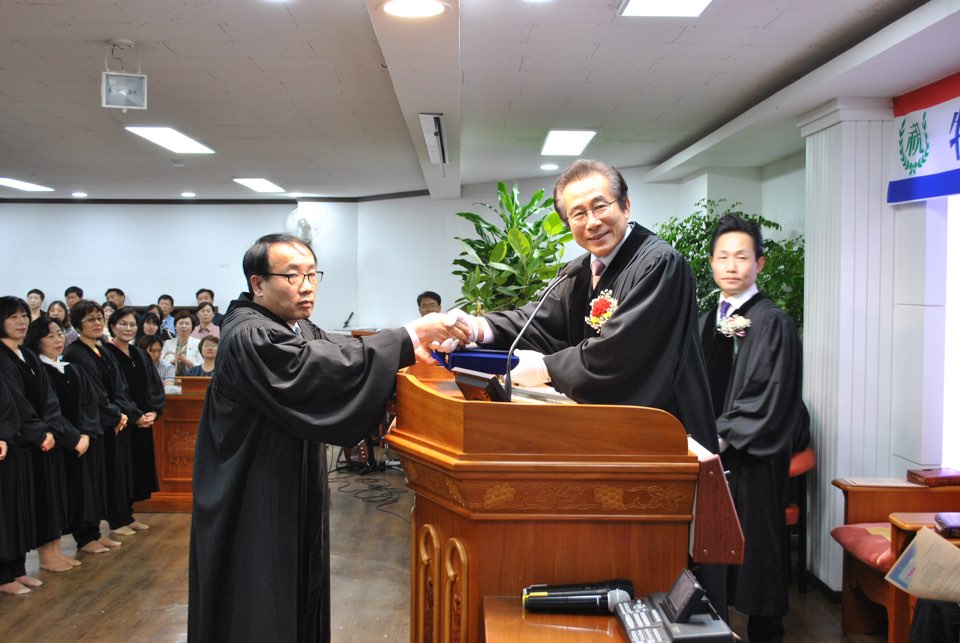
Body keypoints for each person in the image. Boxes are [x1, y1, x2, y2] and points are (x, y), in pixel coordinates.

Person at [188, 232, 470, 642]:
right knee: (259, 590)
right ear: (258, 283)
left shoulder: (295, 325)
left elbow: (339, 351)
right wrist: (409, 337)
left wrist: (409, 352)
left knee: (297, 580)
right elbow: (316, 368)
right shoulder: (250, 333)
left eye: (312, 274)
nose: (306, 286)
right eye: (292, 276)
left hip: (286, 475)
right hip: (252, 485)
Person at [457, 159, 718, 453]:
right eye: (578, 214)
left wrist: (546, 369)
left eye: (600, 207)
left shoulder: (660, 264)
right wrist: (477, 328)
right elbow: (539, 321)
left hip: (667, 437)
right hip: (605, 436)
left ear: (626, 205)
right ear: (568, 223)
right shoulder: (578, 271)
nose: (592, 222)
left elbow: (623, 352)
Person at [698, 214, 810, 643]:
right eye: (723, 256)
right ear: (711, 263)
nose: (732, 265)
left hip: (753, 463)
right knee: (710, 552)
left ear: (759, 263)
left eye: (742, 257)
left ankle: (766, 634)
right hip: (709, 460)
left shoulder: (772, 321)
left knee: (758, 554)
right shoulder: (706, 320)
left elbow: (772, 392)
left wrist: (720, 436)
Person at [0, 298, 77, 582]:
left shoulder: (27, 355)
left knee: (28, 507)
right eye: (13, 317)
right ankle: (5, 575)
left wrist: (50, 429)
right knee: (10, 510)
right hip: (18, 441)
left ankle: (18, 570)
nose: (21, 321)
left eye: (24, 316)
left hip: (40, 438)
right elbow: (13, 402)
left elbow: (48, 398)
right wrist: (39, 431)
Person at [26, 317, 108, 556]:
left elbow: (89, 403)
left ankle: (89, 535)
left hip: (82, 440)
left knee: (86, 491)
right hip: (61, 444)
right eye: (50, 336)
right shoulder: (40, 371)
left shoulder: (71, 368)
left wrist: (87, 433)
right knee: (63, 497)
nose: (58, 340)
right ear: (37, 341)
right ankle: (61, 548)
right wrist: (74, 438)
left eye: (60, 334)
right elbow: (50, 411)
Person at [63, 300, 140, 548]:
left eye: (99, 318)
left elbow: (118, 386)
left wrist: (123, 412)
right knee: (90, 483)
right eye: (90, 319)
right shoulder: (75, 353)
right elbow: (93, 392)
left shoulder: (102, 349)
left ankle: (98, 531)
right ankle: (86, 535)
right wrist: (116, 415)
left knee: (108, 478)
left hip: (111, 422)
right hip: (92, 423)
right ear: (77, 324)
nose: (97, 323)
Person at [104, 307, 164, 524]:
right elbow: (113, 390)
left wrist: (154, 411)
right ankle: (117, 518)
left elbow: (154, 384)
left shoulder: (139, 353)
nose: (128, 328)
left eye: (132, 324)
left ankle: (128, 515)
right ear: (112, 326)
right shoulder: (106, 353)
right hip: (121, 422)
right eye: (123, 324)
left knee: (137, 470)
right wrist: (134, 415)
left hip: (143, 421)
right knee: (120, 471)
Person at [161, 310, 201, 376]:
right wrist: (173, 361)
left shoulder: (198, 343)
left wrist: (185, 361)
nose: (183, 326)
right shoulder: (167, 343)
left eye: (187, 324)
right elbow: (161, 364)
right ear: (175, 326)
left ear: (192, 327)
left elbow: (202, 365)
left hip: (192, 378)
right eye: (181, 323)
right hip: (170, 378)